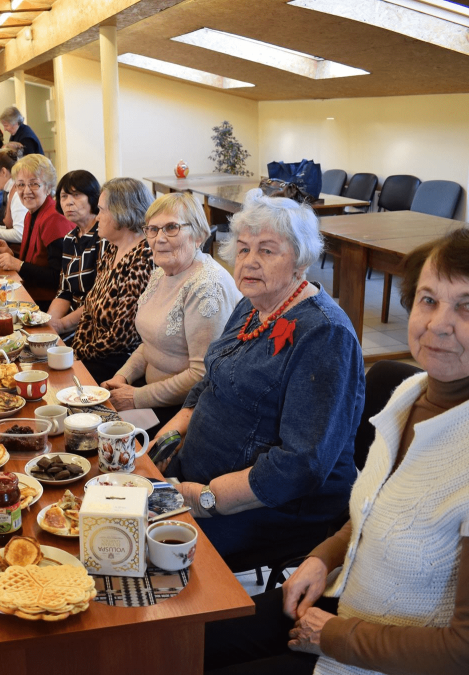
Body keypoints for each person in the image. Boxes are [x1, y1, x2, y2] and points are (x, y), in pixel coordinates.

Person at [204, 227, 469, 675]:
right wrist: (323, 556)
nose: (439, 323)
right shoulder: (413, 392)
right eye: (428, 299)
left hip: (397, 666)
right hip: (350, 603)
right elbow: (377, 508)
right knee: (184, 642)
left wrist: (337, 636)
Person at [153, 190, 363, 561]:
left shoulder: (325, 335)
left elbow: (301, 464)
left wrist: (204, 498)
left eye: (267, 250)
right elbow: (211, 378)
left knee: (146, 548)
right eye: (244, 248)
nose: (249, 261)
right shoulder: (254, 305)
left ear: (300, 260)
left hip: (266, 507)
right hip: (197, 475)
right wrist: (170, 436)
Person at [102, 193, 241, 425]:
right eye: (152, 229)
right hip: (149, 395)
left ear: (198, 236)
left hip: (184, 411)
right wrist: (122, 377)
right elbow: (151, 344)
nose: (159, 238)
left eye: (171, 228)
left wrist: (136, 397)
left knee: (99, 433)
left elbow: (202, 375)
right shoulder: (161, 273)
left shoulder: (207, 286)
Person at [71, 177, 156, 383]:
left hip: (119, 365)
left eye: (101, 210)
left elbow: (123, 337)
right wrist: (75, 349)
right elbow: (90, 309)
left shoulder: (144, 256)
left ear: (121, 213)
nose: (97, 217)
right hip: (92, 355)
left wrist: (80, 355)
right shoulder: (111, 247)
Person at [0, 154, 74, 308]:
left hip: (46, 303)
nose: (26, 191)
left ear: (48, 187)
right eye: (21, 185)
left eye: (34, 184)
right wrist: (11, 254)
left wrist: (18, 264)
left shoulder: (54, 219)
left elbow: (57, 278)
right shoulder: (32, 213)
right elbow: (33, 262)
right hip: (28, 293)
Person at [48, 170, 103, 336]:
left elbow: (99, 298)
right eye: (64, 196)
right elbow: (64, 291)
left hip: (93, 324)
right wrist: (49, 322)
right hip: (70, 319)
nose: (69, 202)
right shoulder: (70, 239)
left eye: (77, 195)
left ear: (93, 197)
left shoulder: (104, 237)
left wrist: (61, 325)